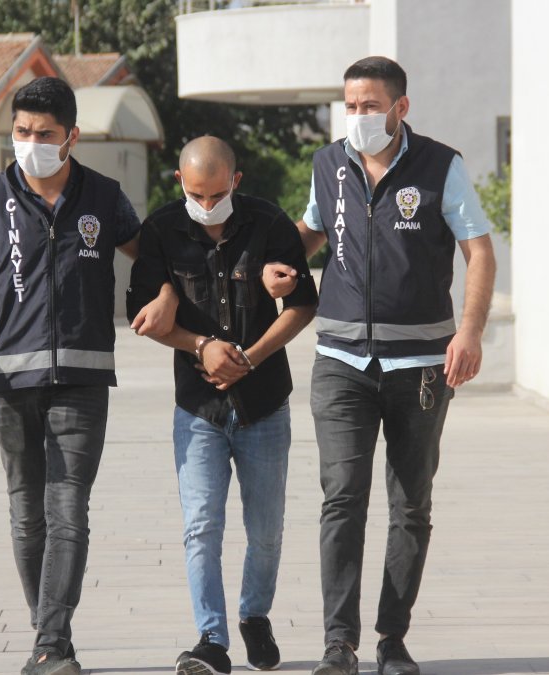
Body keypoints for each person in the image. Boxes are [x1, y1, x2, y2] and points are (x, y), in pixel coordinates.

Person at [0, 76, 176, 675]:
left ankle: (50, 643)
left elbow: (153, 255)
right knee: (27, 513)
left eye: (45, 134)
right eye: (22, 132)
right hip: (9, 383)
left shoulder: (105, 198)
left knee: (68, 509)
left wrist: (167, 293)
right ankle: (50, 638)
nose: (31, 143)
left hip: (82, 379)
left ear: (72, 137)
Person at [265, 56, 497, 675]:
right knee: (342, 498)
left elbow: (479, 252)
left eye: (370, 106)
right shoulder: (328, 165)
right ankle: (338, 644)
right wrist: (278, 262)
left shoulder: (440, 167)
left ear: (401, 107)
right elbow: (312, 231)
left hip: (421, 367)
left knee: (410, 505)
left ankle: (392, 639)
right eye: (350, 106)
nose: (358, 116)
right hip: (340, 361)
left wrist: (470, 332)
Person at [127, 137, 317, 675]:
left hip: (265, 404)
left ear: (235, 180)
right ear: (179, 183)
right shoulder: (162, 230)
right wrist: (200, 345)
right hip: (198, 408)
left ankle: (255, 615)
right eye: (196, 194)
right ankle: (211, 639)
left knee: (266, 529)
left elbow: (303, 304)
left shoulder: (269, 222)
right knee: (201, 526)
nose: (207, 205)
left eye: (216, 194)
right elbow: (143, 314)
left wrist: (250, 358)